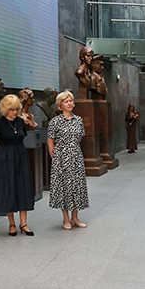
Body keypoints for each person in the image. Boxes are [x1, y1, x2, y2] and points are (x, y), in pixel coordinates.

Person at [0, 95, 35, 237]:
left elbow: (22, 136)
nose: (15, 112)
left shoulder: (20, 122)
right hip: (4, 158)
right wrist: (3, 155)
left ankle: (24, 223)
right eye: (12, 110)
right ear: (5, 109)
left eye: (16, 109)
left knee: (23, 187)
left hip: (20, 156)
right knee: (7, 188)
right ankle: (12, 223)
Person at [47, 90, 89, 230]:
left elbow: (81, 137)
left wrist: (73, 149)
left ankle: (75, 217)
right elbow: (50, 141)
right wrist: (56, 158)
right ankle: (65, 219)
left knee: (77, 186)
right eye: (66, 101)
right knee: (64, 187)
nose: (70, 103)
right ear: (60, 105)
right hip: (61, 157)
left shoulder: (79, 120)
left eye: (71, 100)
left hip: (76, 156)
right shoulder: (55, 121)